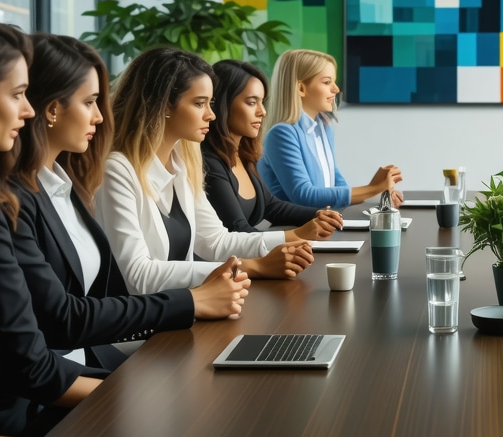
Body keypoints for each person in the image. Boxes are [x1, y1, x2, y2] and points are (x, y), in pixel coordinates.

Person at [9, 35, 249, 368]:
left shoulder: (67, 185)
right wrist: (195, 300)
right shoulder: (27, 196)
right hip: (74, 364)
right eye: (90, 102)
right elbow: (64, 319)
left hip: (89, 353)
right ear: (52, 110)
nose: (100, 116)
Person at [97, 48, 313, 293]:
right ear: (164, 105)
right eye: (199, 103)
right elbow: (137, 275)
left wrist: (293, 238)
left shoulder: (183, 163)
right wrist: (251, 267)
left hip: (183, 311)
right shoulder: (117, 171)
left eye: (210, 103)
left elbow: (215, 241)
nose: (211, 115)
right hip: (144, 326)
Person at [0, 20, 100, 437]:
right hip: (15, 427)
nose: (29, 109)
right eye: (18, 94)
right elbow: (34, 367)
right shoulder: (6, 201)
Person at [204, 59, 344, 237]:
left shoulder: (244, 156)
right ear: (223, 105)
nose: (262, 111)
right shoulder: (209, 163)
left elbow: (272, 207)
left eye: (262, 102)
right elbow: (237, 230)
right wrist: (298, 234)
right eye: (252, 102)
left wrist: (318, 214)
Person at [258, 49, 403, 209]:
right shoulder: (281, 134)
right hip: (295, 229)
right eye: (327, 82)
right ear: (300, 88)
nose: (336, 89)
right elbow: (303, 195)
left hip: (322, 223)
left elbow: (336, 185)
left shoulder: (323, 128)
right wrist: (372, 189)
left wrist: (380, 192)